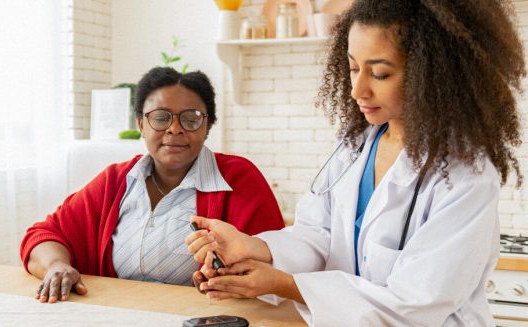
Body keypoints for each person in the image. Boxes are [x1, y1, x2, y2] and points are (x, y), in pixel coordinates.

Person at [186, 0, 525, 325]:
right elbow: (318, 235)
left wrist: (283, 284)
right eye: (353, 68)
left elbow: (415, 305)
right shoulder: (355, 146)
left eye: (379, 74)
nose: (357, 90)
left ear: (432, 75)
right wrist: (253, 247)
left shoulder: (467, 175)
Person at [20, 67, 285, 303]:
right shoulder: (115, 181)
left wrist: (226, 274)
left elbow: (277, 266)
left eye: (191, 118)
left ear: (208, 126)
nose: (175, 129)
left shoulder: (239, 178)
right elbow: (43, 235)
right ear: (140, 125)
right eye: (161, 118)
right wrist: (56, 265)